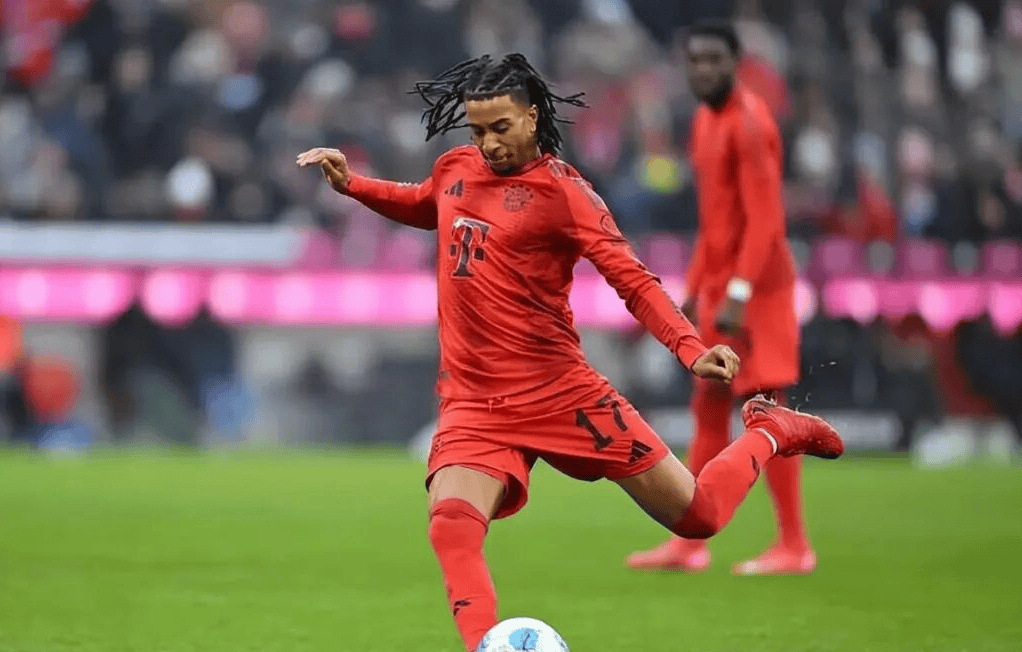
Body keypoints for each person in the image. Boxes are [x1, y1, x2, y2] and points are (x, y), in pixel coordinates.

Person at [297, 53, 843, 652]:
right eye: (477, 130)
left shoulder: (565, 193)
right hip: (474, 401)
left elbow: (634, 282)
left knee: (701, 517)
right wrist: (354, 185)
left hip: (561, 393)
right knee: (451, 525)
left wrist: (690, 349)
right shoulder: (457, 167)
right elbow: (428, 202)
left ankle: (770, 431)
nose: (488, 144)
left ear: (532, 117)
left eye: (501, 128)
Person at [627, 21, 814, 576]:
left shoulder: (751, 124)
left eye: (715, 60)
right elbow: (715, 222)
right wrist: (694, 288)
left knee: (766, 409)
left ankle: (794, 544)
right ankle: (691, 541)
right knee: (708, 407)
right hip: (722, 288)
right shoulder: (705, 121)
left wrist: (737, 292)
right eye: (696, 61)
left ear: (737, 63)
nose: (704, 70)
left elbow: (766, 221)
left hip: (757, 290)